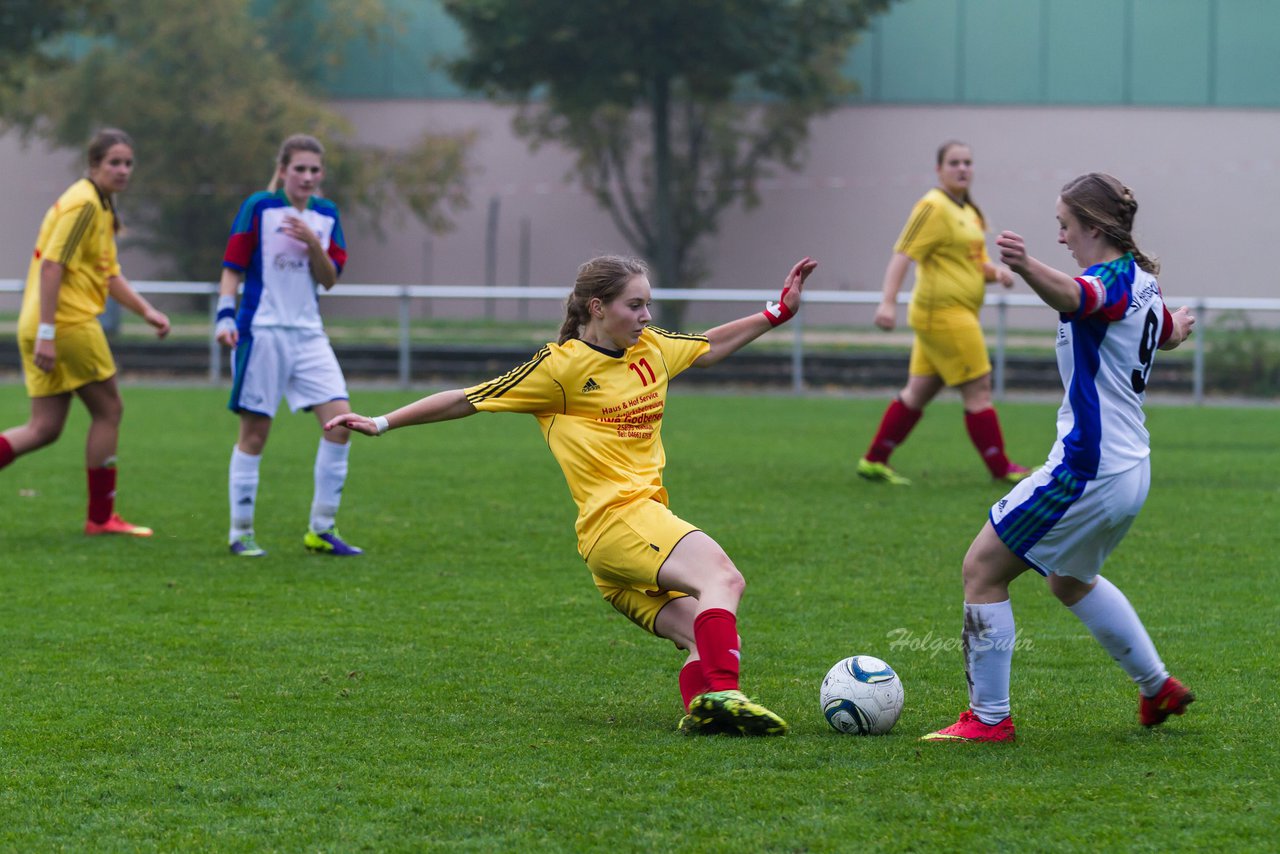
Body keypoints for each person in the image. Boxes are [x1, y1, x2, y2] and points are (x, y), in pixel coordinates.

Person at [326, 255, 818, 735]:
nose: (646, 317)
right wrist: (382, 422)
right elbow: (466, 399)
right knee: (724, 580)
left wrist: (779, 313)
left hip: (613, 553)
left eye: (648, 305)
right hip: (619, 519)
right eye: (635, 305)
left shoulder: (652, 347)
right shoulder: (559, 369)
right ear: (597, 308)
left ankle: (705, 711)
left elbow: (707, 347)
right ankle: (726, 694)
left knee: (702, 637)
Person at [921, 173, 1196, 743]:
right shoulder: (1141, 280)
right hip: (1130, 470)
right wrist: (1177, 328)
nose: (1063, 238)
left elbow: (1078, 296)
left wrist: (1024, 267)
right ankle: (1157, 687)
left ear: (1094, 227)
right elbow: (1164, 330)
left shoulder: (1110, 280)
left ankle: (989, 719)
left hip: (1087, 470)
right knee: (1070, 582)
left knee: (981, 569)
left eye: (1065, 227)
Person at [0, 128, 170, 536]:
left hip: (47, 324)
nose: (123, 170)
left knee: (44, 429)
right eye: (114, 162)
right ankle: (100, 518)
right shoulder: (83, 205)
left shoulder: (101, 206)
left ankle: (100, 518)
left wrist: (146, 311)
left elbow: (107, 274)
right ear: (94, 165)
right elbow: (53, 266)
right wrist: (47, 333)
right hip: (66, 325)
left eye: (128, 163)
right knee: (109, 410)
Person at [214, 134, 362, 557]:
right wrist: (225, 316)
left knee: (342, 425)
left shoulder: (327, 214)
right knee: (255, 435)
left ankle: (322, 529)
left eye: (315, 170)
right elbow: (231, 267)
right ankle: (240, 532)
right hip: (262, 332)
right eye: (299, 168)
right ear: (283, 171)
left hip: (309, 334)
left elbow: (329, 279)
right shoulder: (259, 207)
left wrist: (312, 242)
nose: (308, 176)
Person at [857, 141, 1030, 486]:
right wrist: (887, 302)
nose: (962, 168)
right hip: (944, 314)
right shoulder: (932, 206)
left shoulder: (969, 211)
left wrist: (997, 272)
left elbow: (973, 261)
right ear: (939, 170)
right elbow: (903, 254)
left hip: (957, 312)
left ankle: (874, 460)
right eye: (954, 163)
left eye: (967, 162)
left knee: (917, 391)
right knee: (979, 389)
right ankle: (1002, 468)